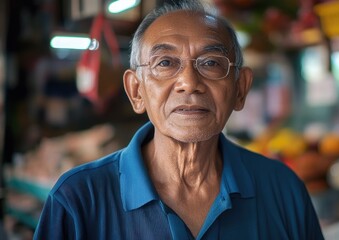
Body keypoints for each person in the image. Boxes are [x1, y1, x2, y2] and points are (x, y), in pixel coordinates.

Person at [34, 0, 324, 239]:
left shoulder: (283, 190)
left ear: (240, 89)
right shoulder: (77, 200)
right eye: (165, 63)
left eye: (211, 63)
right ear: (136, 91)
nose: (189, 82)